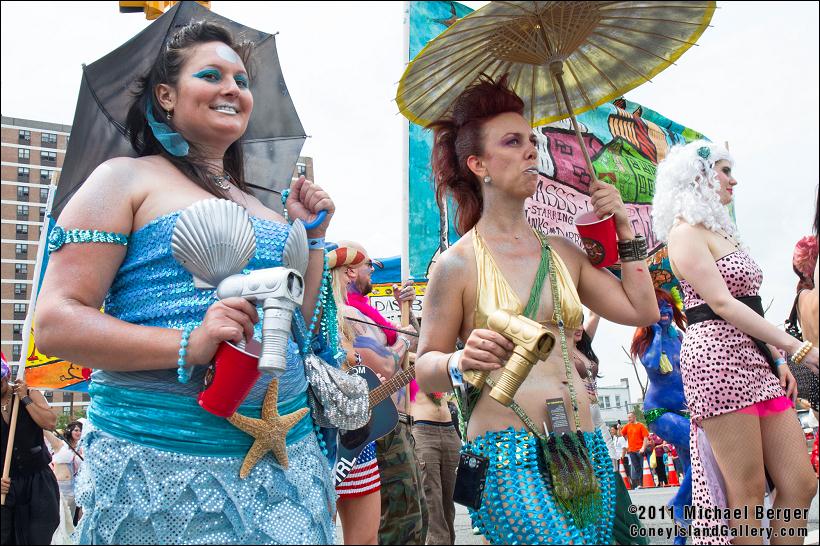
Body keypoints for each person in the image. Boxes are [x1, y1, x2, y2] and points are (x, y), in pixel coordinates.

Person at [34, 22, 336, 544]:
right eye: (212, 74)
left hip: (286, 466)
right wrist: (189, 343)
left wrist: (311, 239)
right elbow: (56, 323)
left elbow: (296, 330)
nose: (232, 89)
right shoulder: (124, 179)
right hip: (164, 472)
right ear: (166, 96)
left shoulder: (264, 205)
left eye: (242, 81)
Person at [414, 74, 659, 545]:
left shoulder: (565, 253)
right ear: (478, 164)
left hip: (586, 448)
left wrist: (625, 227)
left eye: (532, 140)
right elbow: (426, 369)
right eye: (513, 142)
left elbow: (640, 310)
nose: (533, 151)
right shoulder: (456, 264)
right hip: (509, 455)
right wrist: (458, 362)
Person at [653, 139, 819, 543]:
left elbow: (750, 305)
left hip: (756, 358)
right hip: (715, 359)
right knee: (744, 496)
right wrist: (798, 347)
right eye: (724, 171)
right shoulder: (684, 233)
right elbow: (723, 304)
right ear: (697, 176)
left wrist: (778, 359)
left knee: (800, 482)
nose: (734, 180)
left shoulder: (720, 232)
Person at [329, 242, 428, 545]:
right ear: (350, 271)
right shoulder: (345, 314)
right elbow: (383, 363)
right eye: (369, 265)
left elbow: (414, 345)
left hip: (395, 422)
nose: (373, 271)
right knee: (399, 522)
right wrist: (401, 341)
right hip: (375, 429)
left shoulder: (367, 315)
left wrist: (404, 316)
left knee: (413, 514)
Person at [629, 288, 692, 538]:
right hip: (660, 413)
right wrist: (654, 331)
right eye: (657, 306)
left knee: (693, 473)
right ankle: (677, 503)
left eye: (666, 305)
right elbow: (654, 364)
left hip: (685, 413)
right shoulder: (645, 341)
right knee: (701, 450)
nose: (664, 310)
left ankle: (680, 537)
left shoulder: (680, 337)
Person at [1, 359, 60, 545]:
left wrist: (25, 399)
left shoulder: (29, 393)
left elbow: (50, 423)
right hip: (6, 484)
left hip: (38, 481)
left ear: (7, 377)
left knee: (38, 537)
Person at [51, 421, 84, 526]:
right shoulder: (61, 444)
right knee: (59, 521)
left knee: (70, 522)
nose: (79, 432)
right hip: (61, 488)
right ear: (70, 431)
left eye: (80, 430)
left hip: (75, 489)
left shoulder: (82, 446)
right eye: (76, 430)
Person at [621, 412, 651, 489]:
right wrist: (619, 428)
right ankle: (641, 484)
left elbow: (645, 437)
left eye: (630, 417)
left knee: (643, 466)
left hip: (640, 449)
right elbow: (622, 434)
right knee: (637, 467)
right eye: (628, 417)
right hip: (631, 450)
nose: (628, 419)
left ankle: (647, 482)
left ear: (634, 417)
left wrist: (643, 448)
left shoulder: (640, 425)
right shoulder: (627, 426)